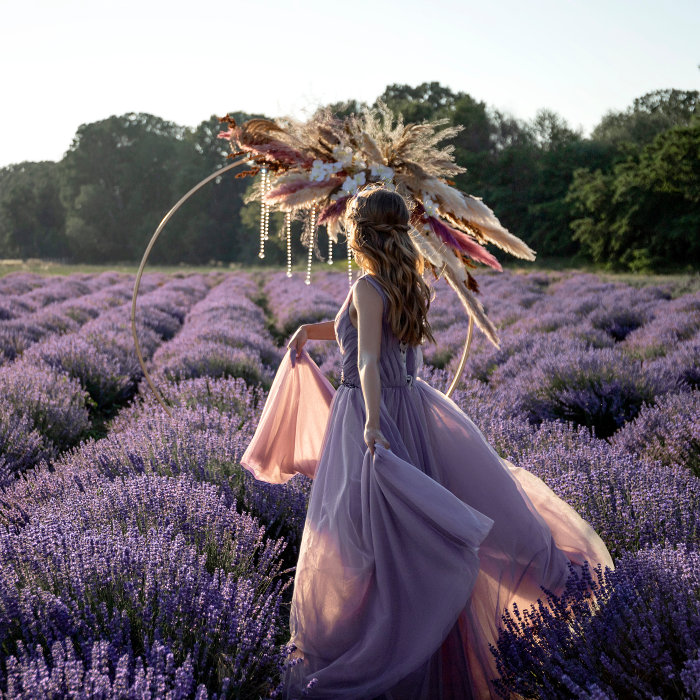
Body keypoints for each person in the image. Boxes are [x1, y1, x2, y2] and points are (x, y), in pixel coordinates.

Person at [241, 187, 613, 700]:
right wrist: (311, 330)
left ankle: (379, 653)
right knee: (410, 535)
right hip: (412, 409)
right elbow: (362, 337)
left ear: (359, 232)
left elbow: (368, 359)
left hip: (373, 417)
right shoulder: (405, 282)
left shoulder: (370, 286)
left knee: (366, 539)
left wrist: (372, 423)